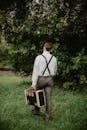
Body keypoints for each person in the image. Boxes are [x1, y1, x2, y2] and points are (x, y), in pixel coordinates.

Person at [31, 42, 57, 121]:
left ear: (44, 48)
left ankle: (36, 111)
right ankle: (47, 117)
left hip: (41, 79)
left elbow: (35, 71)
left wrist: (34, 83)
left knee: (37, 95)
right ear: (51, 49)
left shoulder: (39, 57)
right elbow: (55, 71)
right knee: (48, 99)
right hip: (50, 79)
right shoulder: (54, 58)